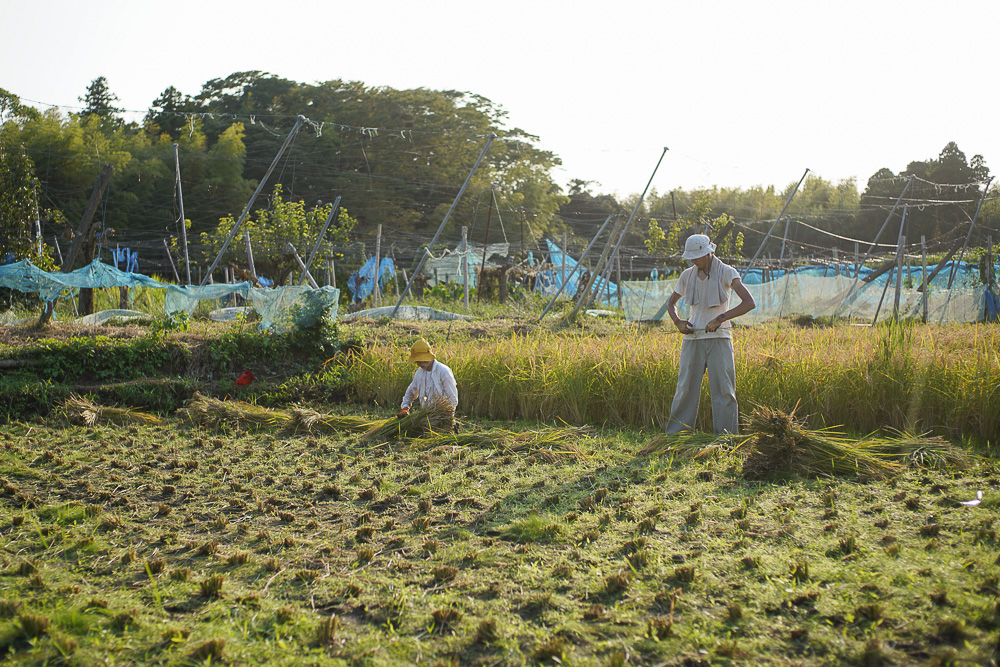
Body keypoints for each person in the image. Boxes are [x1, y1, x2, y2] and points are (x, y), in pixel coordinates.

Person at [664, 234, 756, 434]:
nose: (693, 260)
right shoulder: (687, 275)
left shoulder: (726, 272)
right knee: (685, 389)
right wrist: (678, 322)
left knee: (724, 390)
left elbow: (749, 302)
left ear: (709, 253)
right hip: (693, 338)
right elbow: (671, 303)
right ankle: (677, 435)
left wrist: (720, 318)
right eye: (691, 257)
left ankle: (726, 438)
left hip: (719, 338)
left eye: (697, 256)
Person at [397, 338, 458, 418]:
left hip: (443, 418)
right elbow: (411, 391)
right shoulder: (420, 372)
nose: (418, 364)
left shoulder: (443, 371)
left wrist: (446, 417)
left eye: (420, 361)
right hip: (427, 417)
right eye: (417, 361)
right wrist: (405, 408)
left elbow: (453, 399)